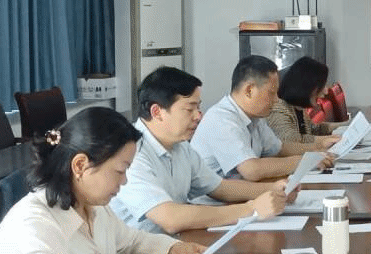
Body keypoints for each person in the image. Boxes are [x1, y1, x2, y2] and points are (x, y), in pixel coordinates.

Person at [0, 108, 205, 254]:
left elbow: (130, 242)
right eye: (120, 171)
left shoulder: (94, 207)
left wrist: (170, 249)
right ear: (80, 165)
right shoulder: (31, 222)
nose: (125, 181)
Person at [111, 66, 294, 234]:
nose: (198, 116)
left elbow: (219, 188)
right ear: (157, 112)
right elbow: (170, 218)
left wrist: (274, 189)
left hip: (175, 243)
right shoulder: (131, 153)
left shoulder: (180, 145)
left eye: (198, 107)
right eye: (189, 109)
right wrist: (251, 209)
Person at [193, 55, 337, 181]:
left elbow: (280, 149)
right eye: (271, 93)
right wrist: (304, 161)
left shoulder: (255, 117)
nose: (276, 100)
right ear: (249, 90)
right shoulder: (222, 119)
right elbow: (251, 170)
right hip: (215, 202)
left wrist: (318, 149)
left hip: (243, 194)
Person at [267, 56, 346, 146]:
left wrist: (348, 124)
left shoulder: (298, 107)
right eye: (321, 86)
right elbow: (292, 142)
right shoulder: (278, 110)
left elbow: (315, 129)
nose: (326, 91)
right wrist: (328, 140)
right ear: (306, 87)